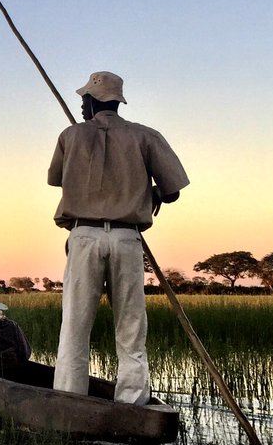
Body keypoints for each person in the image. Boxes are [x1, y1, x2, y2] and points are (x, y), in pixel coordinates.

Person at [48, 70, 189, 404]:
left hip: (84, 237)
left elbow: (57, 180)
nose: (82, 106)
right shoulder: (146, 136)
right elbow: (173, 192)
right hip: (127, 239)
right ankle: (132, 404)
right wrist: (149, 193)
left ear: (93, 100)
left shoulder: (71, 136)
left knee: (74, 328)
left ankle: (69, 404)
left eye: (84, 100)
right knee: (131, 329)